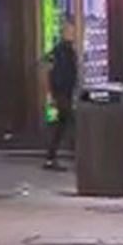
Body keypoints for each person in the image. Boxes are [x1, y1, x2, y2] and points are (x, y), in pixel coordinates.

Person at [42, 19, 79, 171]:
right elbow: (53, 72)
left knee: (61, 125)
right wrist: (53, 93)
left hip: (66, 92)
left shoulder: (68, 50)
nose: (73, 34)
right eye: (70, 31)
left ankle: (51, 157)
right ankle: (79, 155)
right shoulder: (60, 51)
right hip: (62, 93)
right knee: (69, 122)